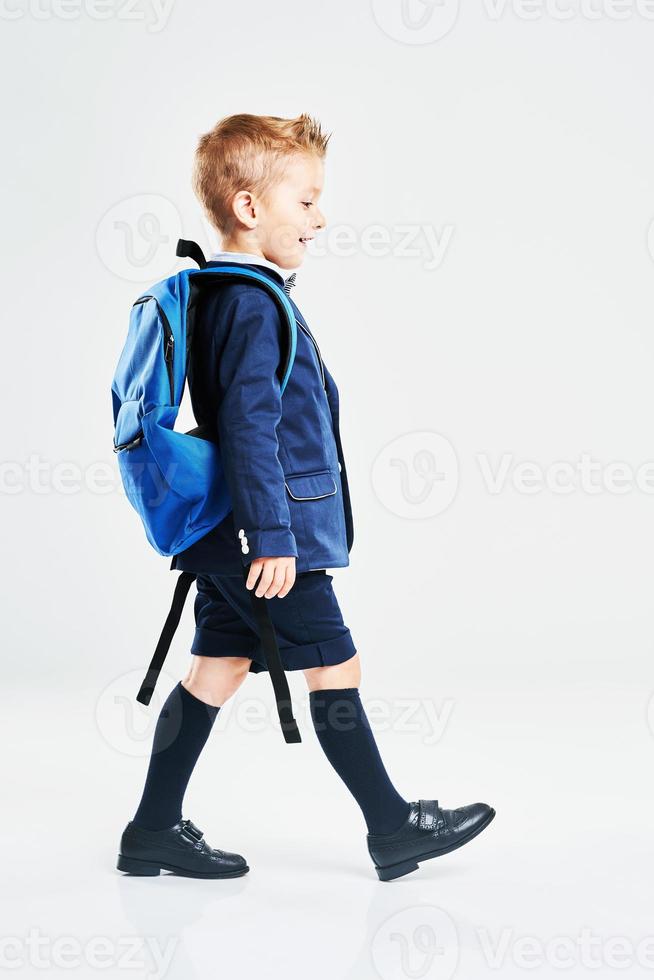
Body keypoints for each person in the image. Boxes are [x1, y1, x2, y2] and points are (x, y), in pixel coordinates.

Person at [117, 113, 495, 882]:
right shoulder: (253, 302)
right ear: (250, 208)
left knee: (214, 671)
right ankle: (393, 829)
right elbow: (252, 429)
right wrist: (277, 537)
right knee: (336, 666)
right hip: (265, 540)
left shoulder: (226, 293)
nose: (321, 218)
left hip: (230, 535)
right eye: (308, 202)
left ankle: (151, 830)